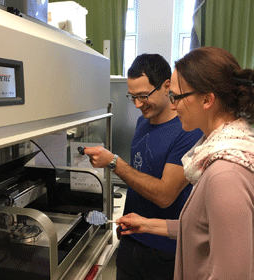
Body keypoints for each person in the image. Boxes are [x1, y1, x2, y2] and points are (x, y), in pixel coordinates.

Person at [117, 46, 254, 280]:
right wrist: (147, 224)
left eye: (177, 97)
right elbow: (202, 229)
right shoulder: (212, 152)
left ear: (207, 100)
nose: (172, 105)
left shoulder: (225, 175)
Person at [83, 54, 203, 280]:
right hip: (131, 239)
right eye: (133, 97)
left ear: (167, 86)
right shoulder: (142, 123)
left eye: (144, 96)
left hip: (164, 250)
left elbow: (165, 195)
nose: (138, 104)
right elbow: (141, 176)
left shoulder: (188, 131)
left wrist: (114, 162)